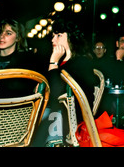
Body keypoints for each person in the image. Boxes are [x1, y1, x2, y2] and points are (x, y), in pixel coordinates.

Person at [33, 18, 97, 146]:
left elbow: (54, 95)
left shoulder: (81, 63)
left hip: (70, 119)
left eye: (59, 35)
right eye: (53, 36)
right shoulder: (63, 63)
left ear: (72, 37)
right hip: (57, 113)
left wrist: (53, 63)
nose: (53, 40)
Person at [0, 18, 44, 98]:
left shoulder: (24, 63)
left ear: (18, 38)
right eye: (1, 32)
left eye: (8, 33)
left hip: (10, 108)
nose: (2, 36)